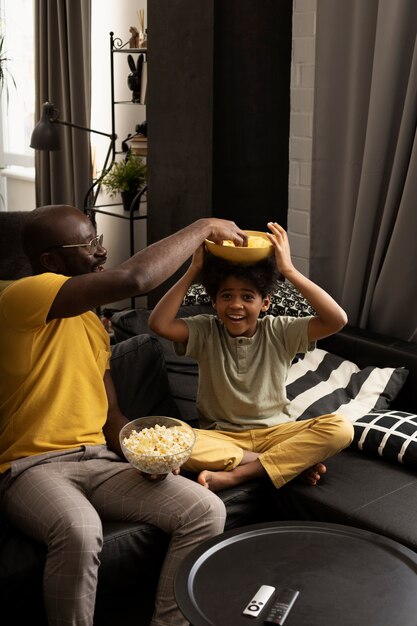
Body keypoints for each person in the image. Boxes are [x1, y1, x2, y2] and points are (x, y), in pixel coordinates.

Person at [0, 204, 248, 626]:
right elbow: (135, 278)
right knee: (80, 529)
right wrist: (204, 225)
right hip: (29, 468)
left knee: (205, 510)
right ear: (50, 262)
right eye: (88, 245)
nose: (101, 253)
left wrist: (143, 456)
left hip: (99, 460)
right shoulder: (20, 296)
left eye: (99, 240)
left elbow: (112, 413)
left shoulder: (93, 322)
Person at [148, 221, 354, 493]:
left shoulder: (280, 330)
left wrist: (288, 270)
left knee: (341, 428)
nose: (236, 305)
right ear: (214, 301)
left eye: (247, 297)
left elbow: (337, 319)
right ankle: (283, 465)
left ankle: (238, 475)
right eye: (226, 296)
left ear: (265, 303)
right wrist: (193, 270)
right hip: (221, 437)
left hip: (276, 435)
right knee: (167, 438)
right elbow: (158, 324)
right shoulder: (205, 330)